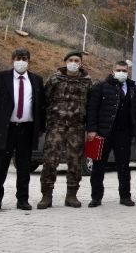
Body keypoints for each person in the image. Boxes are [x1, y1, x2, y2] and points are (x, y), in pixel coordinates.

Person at [0, 49, 46, 213]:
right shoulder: (0, 78)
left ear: (29, 61)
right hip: (5, 129)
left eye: (25, 58)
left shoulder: (36, 80)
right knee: (0, 167)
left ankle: (23, 200)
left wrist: (41, 128)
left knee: (24, 167)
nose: (21, 61)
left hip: (26, 129)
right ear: (12, 59)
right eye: (18, 58)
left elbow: (41, 105)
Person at [38, 50, 93, 209]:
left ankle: (71, 195)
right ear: (65, 61)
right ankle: (46, 196)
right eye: (71, 60)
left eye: (77, 60)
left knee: (75, 162)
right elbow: (44, 100)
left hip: (76, 127)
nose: (74, 63)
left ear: (81, 63)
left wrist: (89, 127)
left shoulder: (87, 82)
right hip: (56, 126)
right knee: (50, 161)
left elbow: (90, 105)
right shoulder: (55, 79)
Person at [87, 61, 136, 207]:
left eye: (124, 70)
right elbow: (92, 110)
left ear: (128, 71)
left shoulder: (133, 88)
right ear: (112, 70)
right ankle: (96, 197)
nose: (121, 72)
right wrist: (92, 130)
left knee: (123, 166)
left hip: (124, 134)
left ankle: (125, 196)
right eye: (118, 70)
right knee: (98, 166)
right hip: (103, 133)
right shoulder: (101, 87)